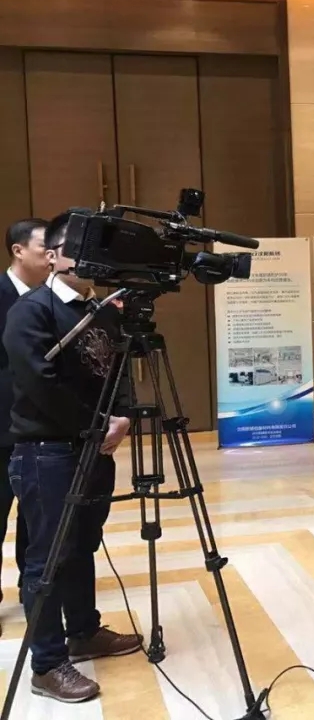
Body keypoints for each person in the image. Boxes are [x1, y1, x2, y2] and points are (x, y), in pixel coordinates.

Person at [4, 209, 141, 704]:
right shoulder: (32, 311)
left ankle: (84, 630)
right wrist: (96, 423)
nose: (92, 261)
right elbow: (40, 384)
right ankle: (46, 664)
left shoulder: (101, 310)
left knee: (84, 543)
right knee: (48, 558)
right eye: (81, 250)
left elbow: (119, 369)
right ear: (54, 256)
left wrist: (123, 416)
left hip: (93, 448)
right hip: (48, 452)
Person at [0, 218, 51, 621]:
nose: (51, 257)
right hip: (1, 429)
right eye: (43, 248)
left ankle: (31, 592)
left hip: (41, 431)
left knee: (36, 519)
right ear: (18, 250)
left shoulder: (51, 300)